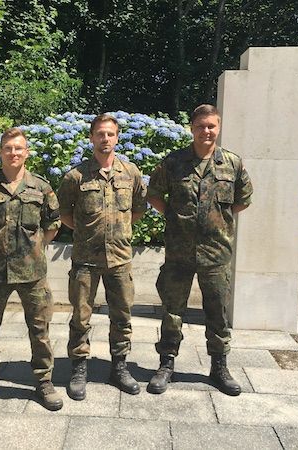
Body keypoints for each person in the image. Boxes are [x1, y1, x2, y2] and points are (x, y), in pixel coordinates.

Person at [146, 104, 253, 396]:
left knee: (217, 311)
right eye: (201, 126)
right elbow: (154, 193)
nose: (206, 131)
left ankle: (219, 367)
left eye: (211, 127)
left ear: (218, 128)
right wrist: (173, 215)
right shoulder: (174, 162)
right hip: (179, 252)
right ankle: (166, 363)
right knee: (172, 309)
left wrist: (218, 221)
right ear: (192, 128)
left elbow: (243, 199)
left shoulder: (232, 163)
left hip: (216, 253)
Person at [0, 127, 62, 417]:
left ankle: (44, 382)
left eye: (18, 148)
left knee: (40, 329)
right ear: (1, 152)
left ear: (26, 152)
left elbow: (53, 224)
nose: (13, 153)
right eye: (8, 148)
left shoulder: (41, 187)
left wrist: (33, 249)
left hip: (33, 272)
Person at [57, 114, 147, 400]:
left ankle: (119, 367)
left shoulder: (130, 173)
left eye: (110, 134)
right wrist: (87, 232)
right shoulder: (76, 176)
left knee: (122, 315)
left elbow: (138, 209)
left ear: (117, 137)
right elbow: (64, 214)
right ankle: (79, 367)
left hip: (120, 258)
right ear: (91, 138)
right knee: (81, 317)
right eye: (99, 134)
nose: (105, 139)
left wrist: (118, 230)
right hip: (85, 259)